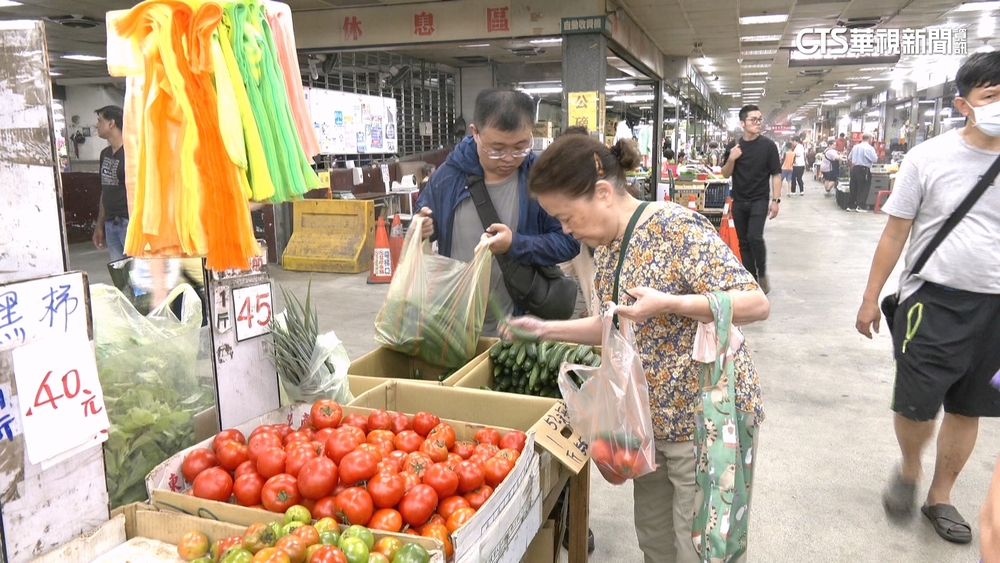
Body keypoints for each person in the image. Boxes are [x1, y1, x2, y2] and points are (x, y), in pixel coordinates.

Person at [509, 133, 769, 563]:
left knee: (702, 549)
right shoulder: (607, 247)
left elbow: (755, 303)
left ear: (604, 193)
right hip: (649, 425)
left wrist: (671, 304)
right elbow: (614, 323)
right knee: (655, 541)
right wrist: (544, 330)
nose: (566, 230)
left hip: (703, 421)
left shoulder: (674, 227)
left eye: (568, 217)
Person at [855, 51, 1000, 546]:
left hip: (996, 306)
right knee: (918, 405)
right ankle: (912, 465)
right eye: (992, 94)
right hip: (931, 300)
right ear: (964, 103)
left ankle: (941, 495)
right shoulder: (928, 157)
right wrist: (870, 297)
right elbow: (895, 234)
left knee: (969, 405)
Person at [414, 88, 580, 336]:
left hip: (519, 326)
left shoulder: (540, 178)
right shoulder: (448, 176)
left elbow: (569, 242)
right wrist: (423, 226)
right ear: (475, 133)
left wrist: (516, 243)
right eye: (497, 148)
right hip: (456, 324)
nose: (509, 158)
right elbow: (426, 219)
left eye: (521, 147)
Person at [721, 105, 782, 294]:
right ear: (742, 123)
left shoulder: (768, 146)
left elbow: (776, 174)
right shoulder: (733, 147)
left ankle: (762, 274)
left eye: (759, 119)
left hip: (759, 199)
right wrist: (731, 158)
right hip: (739, 200)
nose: (757, 123)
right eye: (753, 120)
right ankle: (751, 278)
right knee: (743, 242)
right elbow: (725, 174)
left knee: (755, 236)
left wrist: (776, 200)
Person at [92, 105, 128, 262]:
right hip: (111, 224)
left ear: (111, 123)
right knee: (120, 276)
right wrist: (99, 225)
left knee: (138, 276)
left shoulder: (131, 153)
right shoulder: (105, 154)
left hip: (129, 223)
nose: (96, 125)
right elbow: (105, 190)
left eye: (100, 120)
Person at [846, 133, 877, 212]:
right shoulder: (869, 148)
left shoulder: (855, 147)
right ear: (870, 139)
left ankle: (851, 205)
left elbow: (849, 157)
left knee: (853, 187)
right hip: (864, 169)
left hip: (854, 168)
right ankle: (861, 206)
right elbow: (874, 159)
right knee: (863, 187)